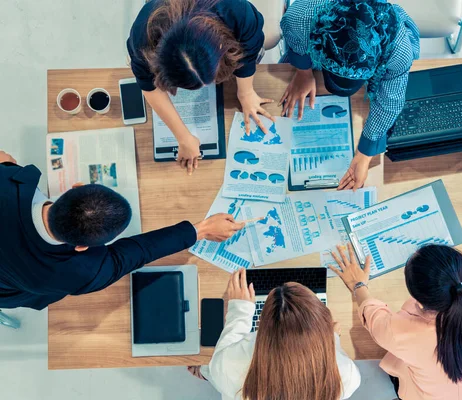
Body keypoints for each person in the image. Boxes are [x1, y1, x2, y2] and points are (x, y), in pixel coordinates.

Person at [0, 150, 244, 310]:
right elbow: (135, 254)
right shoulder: (78, 273)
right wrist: (201, 230)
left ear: (75, 187)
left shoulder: (10, 179)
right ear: (82, 247)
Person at [329, 244, 462, 400]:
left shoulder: (400, 332)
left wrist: (358, 285)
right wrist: (460, 282)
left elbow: (373, 315)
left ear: (417, 297)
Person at [280, 0, 420, 190]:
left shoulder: (398, 47)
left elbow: (391, 100)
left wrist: (364, 155)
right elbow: (295, 39)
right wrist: (303, 73)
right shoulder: (302, 17)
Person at [127, 0, 273, 174]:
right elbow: (148, 84)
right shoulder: (143, 36)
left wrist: (246, 93)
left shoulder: (236, 11)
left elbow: (248, 52)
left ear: (221, 45)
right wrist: (183, 137)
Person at [189, 269, 361, 400]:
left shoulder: (228, 364)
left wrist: (240, 309)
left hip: (234, 385)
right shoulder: (347, 376)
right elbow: (333, 355)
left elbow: (223, 351)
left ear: (261, 326)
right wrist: (333, 338)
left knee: (212, 370)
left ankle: (203, 373)